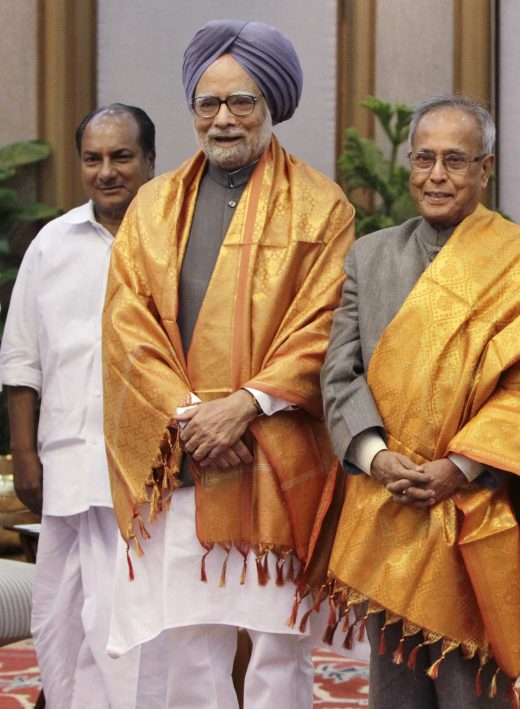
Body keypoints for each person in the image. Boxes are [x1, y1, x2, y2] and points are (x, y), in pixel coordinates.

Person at [314, 94, 520, 707]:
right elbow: (340, 375)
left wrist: (461, 467)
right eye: (424, 159)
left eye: (454, 160)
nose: (436, 175)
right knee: (394, 683)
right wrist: (375, 457)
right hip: (389, 501)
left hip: (478, 506)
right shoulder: (371, 256)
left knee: (472, 688)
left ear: (484, 168)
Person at [101, 20, 354, 708]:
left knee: (279, 643)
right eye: (207, 104)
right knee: (192, 636)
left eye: (241, 101)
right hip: (187, 451)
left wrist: (245, 405)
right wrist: (191, 417)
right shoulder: (151, 208)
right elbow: (130, 329)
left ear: (271, 105)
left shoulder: (321, 206)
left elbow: (324, 325)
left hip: (276, 450)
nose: (222, 118)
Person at [0, 104, 163, 708]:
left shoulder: (173, 246)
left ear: (150, 159)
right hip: (67, 465)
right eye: (93, 159)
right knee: (60, 620)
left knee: (132, 628)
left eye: (122, 156)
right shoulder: (52, 243)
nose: (106, 171)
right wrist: (24, 453)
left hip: (149, 477)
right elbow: (22, 358)